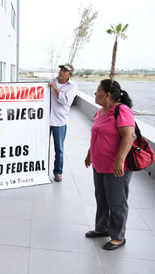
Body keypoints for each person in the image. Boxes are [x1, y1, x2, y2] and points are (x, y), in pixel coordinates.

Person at [84, 79, 135, 250]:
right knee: (102, 197)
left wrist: (120, 160)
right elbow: (97, 134)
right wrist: (90, 154)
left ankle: (118, 237)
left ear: (107, 94)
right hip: (100, 164)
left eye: (97, 91)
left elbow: (129, 136)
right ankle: (102, 228)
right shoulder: (100, 112)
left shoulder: (122, 111)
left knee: (117, 201)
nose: (95, 94)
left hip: (116, 166)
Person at [48, 64, 77, 182]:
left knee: (59, 149)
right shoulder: (50, 81)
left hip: (59, 121)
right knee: (41, 146)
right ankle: (40, 171)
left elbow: (65, 101)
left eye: (65, 71)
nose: (61, 72)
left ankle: (58, 172)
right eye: (61, 69)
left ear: (69, 75)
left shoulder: (72, 86)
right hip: (45, 120)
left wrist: (54, 88)